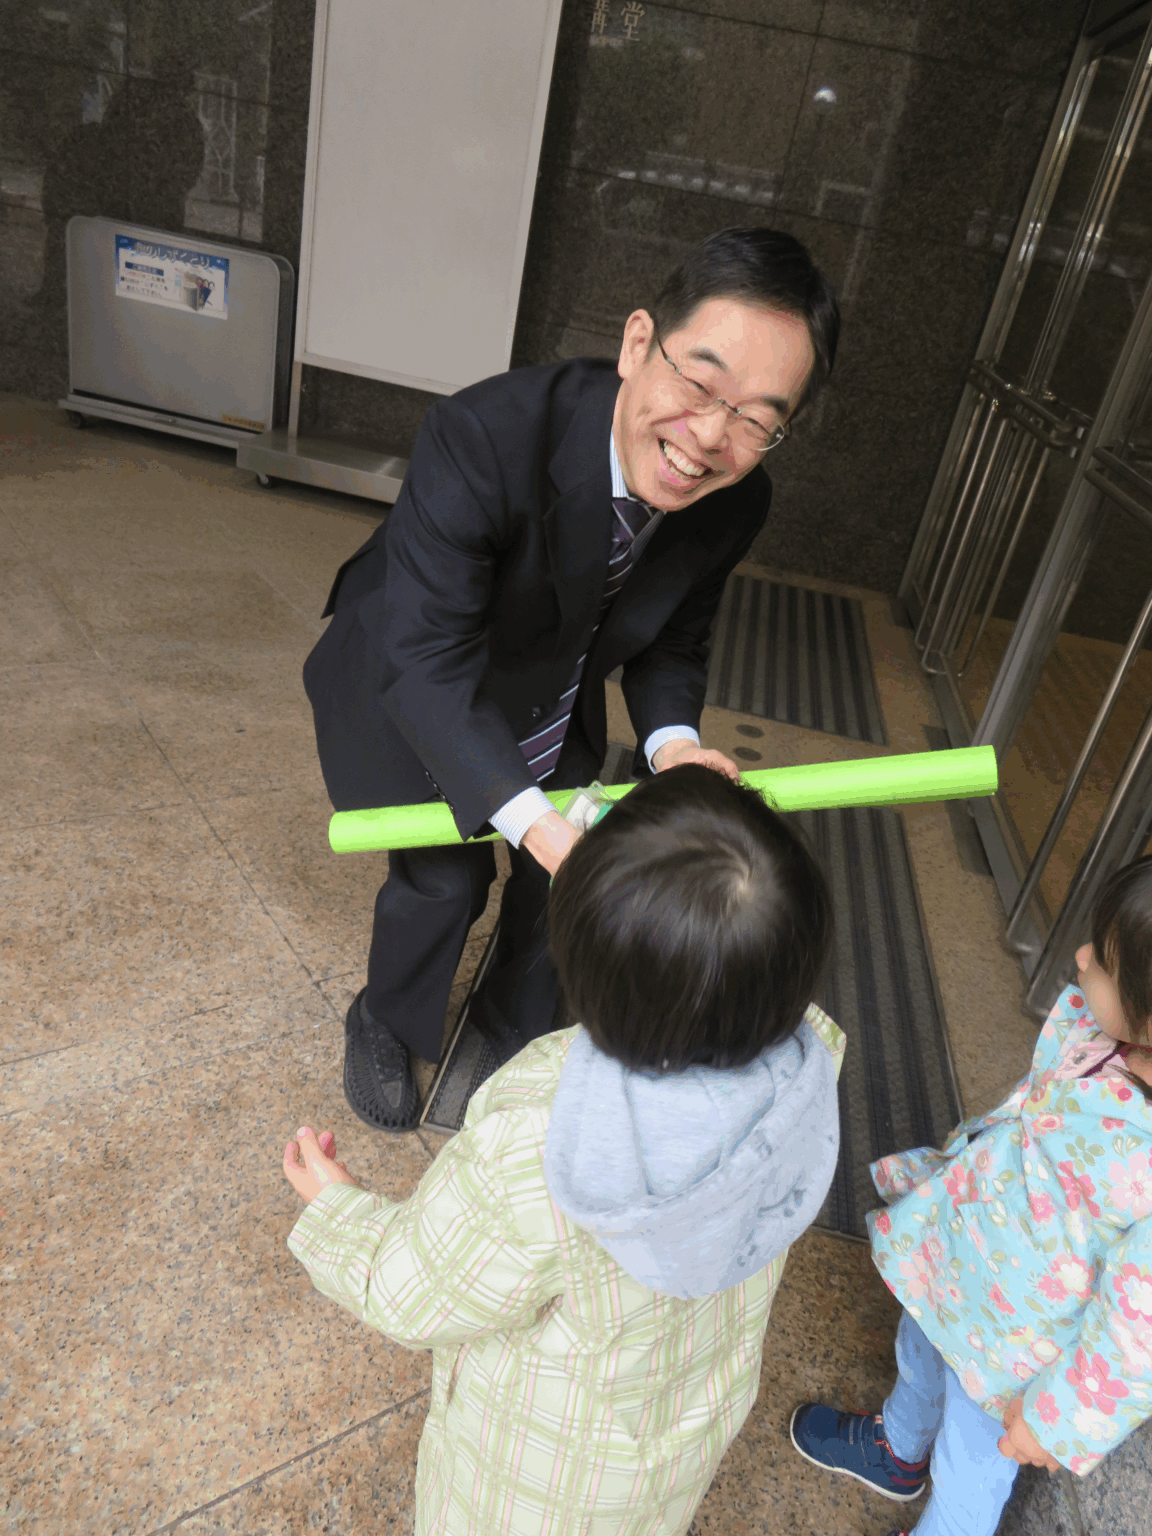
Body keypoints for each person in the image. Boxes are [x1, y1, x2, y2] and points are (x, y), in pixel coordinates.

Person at [302, 226, 840, 1131]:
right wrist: (537, 824)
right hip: (418, 670)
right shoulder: (483, 434)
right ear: (639, 342)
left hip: (554, 682)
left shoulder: (738, 497)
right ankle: (387, 1018)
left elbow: (676, 637)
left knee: (561, 881)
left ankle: (509, 1023)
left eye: (757, 419)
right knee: (444, 880)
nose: (711, 437)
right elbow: (428, 662)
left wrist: (674, 747)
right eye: (699, 384)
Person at [282, 763, 845, 1536]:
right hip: (672, 1448)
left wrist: (338, 1209)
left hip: (534, 1486)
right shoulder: (810, 1068)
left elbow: (412, 1290)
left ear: (577, 963)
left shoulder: (544, 1135)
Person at [789, 853, 1152, 1536]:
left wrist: (1057, 1422)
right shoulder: (1108, 1038)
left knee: (969, 1472)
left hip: (1015, 1349)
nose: (1079, 958)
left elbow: (1138, 1333)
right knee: (919, 1349)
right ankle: (898, 1449)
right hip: (961, 1259)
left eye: (1104, 962)